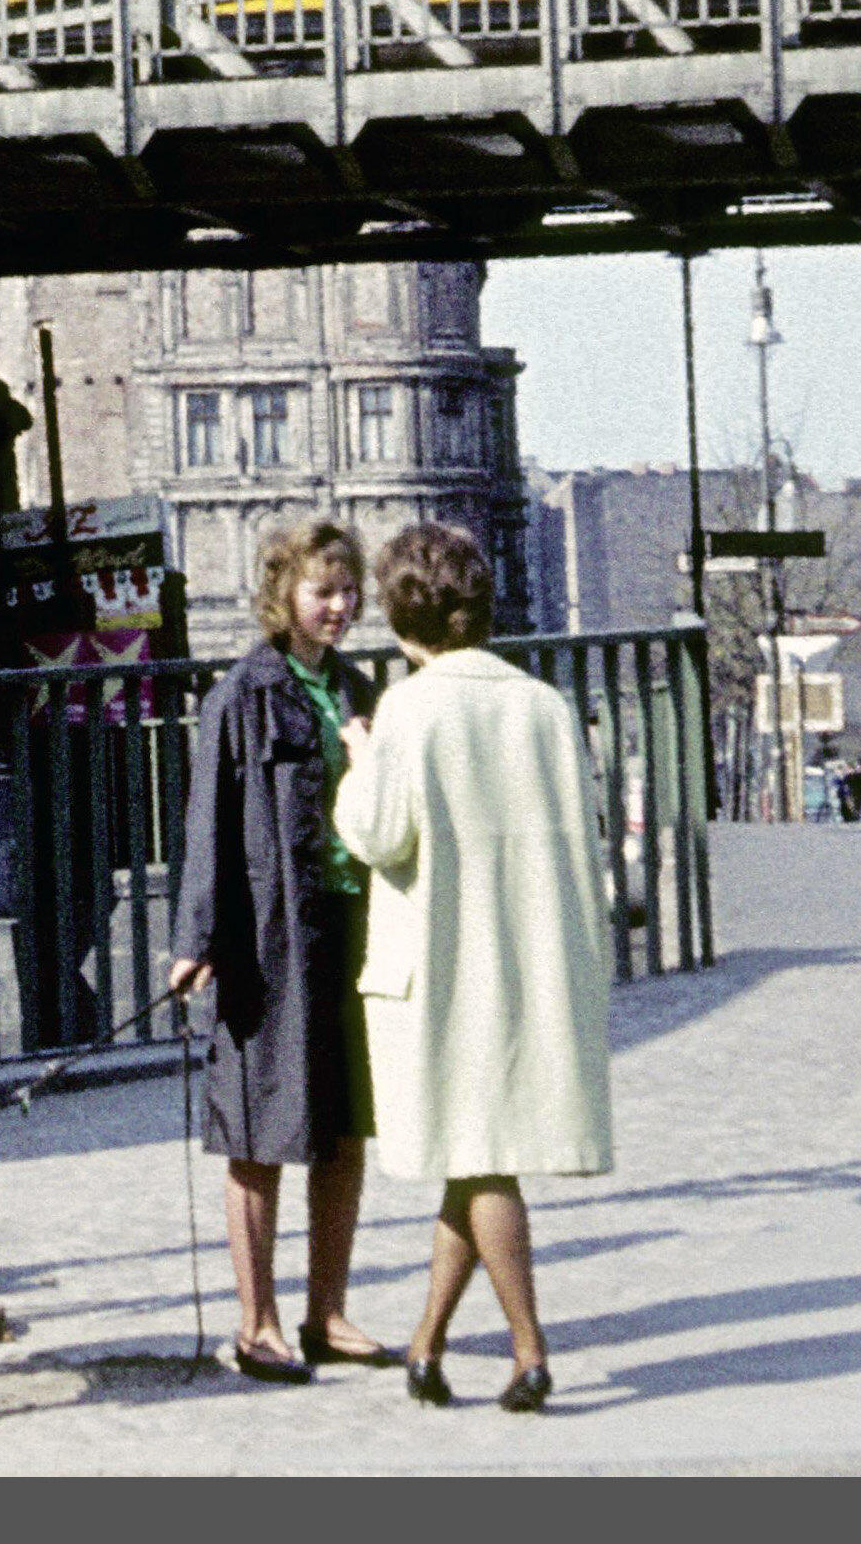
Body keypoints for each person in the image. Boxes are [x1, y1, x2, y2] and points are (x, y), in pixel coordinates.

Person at [333, 522, 613, 1415]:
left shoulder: (411, 708)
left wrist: (359, 761)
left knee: (484, 1159)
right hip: (532, 960)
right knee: (476, 1154)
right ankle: (427, 1343)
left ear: (400, 614)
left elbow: (377, 834)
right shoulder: (543, 704)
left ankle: (530, 1350)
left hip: (446, 966)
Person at [164, 522, 388, 1384]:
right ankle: (256, 1323)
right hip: (269, 938)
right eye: (323, 590)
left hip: (352, 929)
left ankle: (327, 1312)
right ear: (282, 594)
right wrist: (196, 940)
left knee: (344, 1127)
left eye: (348, 589)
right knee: (259, 1130)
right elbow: (208, 824)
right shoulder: (242, 695)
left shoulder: (358, 688)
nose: (340, 605)